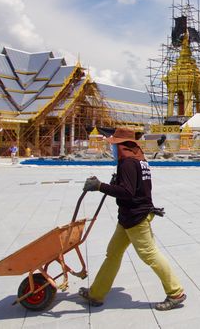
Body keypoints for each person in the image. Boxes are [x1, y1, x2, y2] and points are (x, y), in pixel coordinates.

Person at [78, 127, 186, 311]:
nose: (112, 149)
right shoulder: (140, 159)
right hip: (129, 216)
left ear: (122, 145)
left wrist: (100, 186)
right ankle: (96, 293)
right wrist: (115, 182)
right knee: (113, 253)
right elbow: (135, 186)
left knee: (149, 254)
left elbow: (127, 192)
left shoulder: (128, 162)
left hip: (136, 216)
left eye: (114, 145)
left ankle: (175, 292)